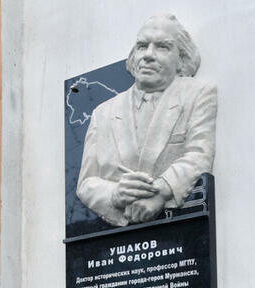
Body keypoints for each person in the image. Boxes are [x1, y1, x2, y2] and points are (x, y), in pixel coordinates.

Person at [76, 13, 217, 227]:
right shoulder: (102, 113)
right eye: (142, 46)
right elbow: (86, 183)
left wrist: (160, 192)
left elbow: (199, 153)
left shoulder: (198, 95)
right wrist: (115, 194)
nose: (148, 55)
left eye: (162, 47)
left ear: (181, 58)